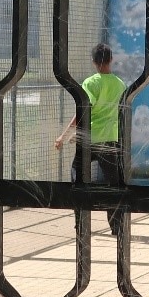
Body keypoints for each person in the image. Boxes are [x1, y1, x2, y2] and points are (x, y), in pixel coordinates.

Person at [55, 42, 125, 236]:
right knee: (113, 184)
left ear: (94, 62)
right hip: (110, 141)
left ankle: (81, 224)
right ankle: (117, 227)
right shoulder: (120, 84)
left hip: (88, 140)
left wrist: (64, 135)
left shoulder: (91, 83)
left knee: (77, 179)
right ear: (111, 59)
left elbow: (83, 111)